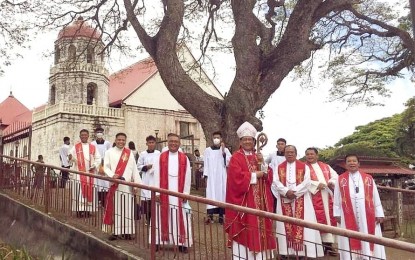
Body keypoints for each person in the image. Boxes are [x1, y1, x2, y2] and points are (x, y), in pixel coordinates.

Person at [225, 121, 276, 259]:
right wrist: (255, 175)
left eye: (250, 139)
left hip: (261, 202)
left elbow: (269, 176)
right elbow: (235, 179)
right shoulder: (236, 157)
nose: (248, 142)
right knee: (246, 229)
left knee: (262, 228)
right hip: (245, 201)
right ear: (240, 141)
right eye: (245, 139)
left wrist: (263, 164)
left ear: (254, 141)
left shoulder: (258, 156)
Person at [271, 145, 324, 258]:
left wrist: (294, 192)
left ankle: (303, 252)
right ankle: (285, 251)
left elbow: (307, 183)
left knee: (303, 225)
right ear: (284, 154)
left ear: (296, 153)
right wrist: (286, 192)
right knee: (284, 225)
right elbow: (275, 181)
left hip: (302, 199)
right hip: (284, 199)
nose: (289, 154)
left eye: (292, 152)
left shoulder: (304, 166)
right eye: (287, 152)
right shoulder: (279, 167)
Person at [333, 154, 386, 260]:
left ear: (359, 163)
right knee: (350, 234)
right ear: (345, 164)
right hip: (347, 213)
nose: (352, 163)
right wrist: (337, 213)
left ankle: (369, 256)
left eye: (354, 161)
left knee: (367, 232)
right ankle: (352, 257)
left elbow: (375, 196)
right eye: (349, 161)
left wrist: (379, 213)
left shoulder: (368, 178)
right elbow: (337, 197)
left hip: (367, 213)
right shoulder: (340, 179)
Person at [151, 133, 192, 253]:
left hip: (178, 191)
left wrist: (185, 193)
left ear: (179, 143)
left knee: (181, 215)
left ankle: (182, 243)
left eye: (175, 141)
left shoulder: (184, 158)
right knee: (160, 215)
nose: (173, 143)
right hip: (164, 191)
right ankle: (159, 241)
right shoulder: (161, 157)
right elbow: (156, 174)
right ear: (167, 143)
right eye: (171, 141)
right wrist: (157, 192)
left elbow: (188, 176)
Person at [102, 132, 142, 240]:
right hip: (115, 185)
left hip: (127, 186)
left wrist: (136, 185)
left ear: (125, 141)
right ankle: (116, 231)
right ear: (115, 140)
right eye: (119, 139)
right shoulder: (109, 152)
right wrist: (112, 175)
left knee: (128, 209)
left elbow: (134, 170)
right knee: (116, 208)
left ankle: (128, 232)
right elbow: (105, 167)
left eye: (123, 140)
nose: (121, 142)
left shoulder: (129, 153)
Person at [305, 147, 339, 255]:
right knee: (315, 220)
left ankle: (328, 246)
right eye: (308, 154)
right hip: (312, 196)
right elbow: (302, 180)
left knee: (328, 221)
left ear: (317, 155)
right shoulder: (304, 167)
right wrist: (315, 185)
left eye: (312, 154)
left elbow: (335, 177)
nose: (310, 156)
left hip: (326, 195)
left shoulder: (325, 166)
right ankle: (317, 247)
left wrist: (330, 182)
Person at [68, 129, 101, 217]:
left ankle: (88, 210)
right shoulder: (76, 147)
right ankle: (79, 210)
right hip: (79, 172)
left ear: (88, 136)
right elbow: (70, 156)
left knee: (90, 190)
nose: (84, 136)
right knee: (79, 191)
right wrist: (70, 157)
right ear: (80, 136)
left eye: (85, 135)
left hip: (90, 172)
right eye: (82, 135)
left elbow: (98, 158)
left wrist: (94, 165)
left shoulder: (93, 147)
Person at [203, 131, 231, 224]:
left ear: (221, 139)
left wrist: (223, 152)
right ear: (212, 138)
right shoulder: (207, 150)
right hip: (211, 177)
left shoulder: (225, 150)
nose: (216, 139)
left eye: (218, 137)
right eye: (214, 137)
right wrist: (206, 176)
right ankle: (210, 216)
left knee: (221, 194)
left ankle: (221, 216)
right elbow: (206, 164)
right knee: (211, 195)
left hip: (221, 176)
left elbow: (228, 162)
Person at [137, 135, 160, 224]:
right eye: (149, 143)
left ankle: (155, 219)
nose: (151, 144)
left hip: (155, 178)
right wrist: (146, 167)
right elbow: (138, 166)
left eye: (152, 142)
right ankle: (148, 218)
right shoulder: (143, 154)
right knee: (147, 199)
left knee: (155, 199)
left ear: (155, 143)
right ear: (146, 143)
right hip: (146, 179)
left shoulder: (158, 153)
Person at [91, 128, 112, 208]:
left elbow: (109, 153)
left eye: (101, 132)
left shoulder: (107, 143)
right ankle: (98, 200)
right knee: (97, 184)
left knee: (105, 184)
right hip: (97, 166)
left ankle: (105, 201)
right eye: (98, 132)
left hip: (105, 165)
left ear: (103, 133)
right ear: (95, 134)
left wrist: (104, 162)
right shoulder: (93, 143)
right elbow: (92, 154)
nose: (99, 133)